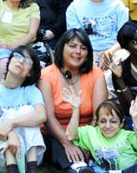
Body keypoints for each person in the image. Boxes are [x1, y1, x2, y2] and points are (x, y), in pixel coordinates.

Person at [39, 29, 108, 171]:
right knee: (58, 147)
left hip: (86, 132)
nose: (78, 51)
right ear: (61, 48)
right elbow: (49, 118)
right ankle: (76, 168)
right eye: (72, 46)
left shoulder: (96, 74)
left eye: (83, 48)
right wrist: (67, 143)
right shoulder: (46, 75)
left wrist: (88, 142)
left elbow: (99, 115)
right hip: (56, 134)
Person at [0, 46, 48, 173]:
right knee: (10, 113)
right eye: (17, 56)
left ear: (30, 72)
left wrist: (11, 123)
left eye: (27, 61)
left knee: (27, 110)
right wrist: (11, 134)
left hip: (30, 153)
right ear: (10, 60)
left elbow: (41, 116)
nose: (21, 61)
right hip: (0, 156)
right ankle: (12, 168)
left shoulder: (31, 91)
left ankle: (32, 168)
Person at [64, 99, 137, 171]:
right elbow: (70, 135)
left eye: (113, 121)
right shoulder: (91, 132)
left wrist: (135, 119)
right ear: (97, 122)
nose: (107, 126)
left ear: (121, 123)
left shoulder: (127, 135)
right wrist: (75, 110)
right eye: (103, 121)